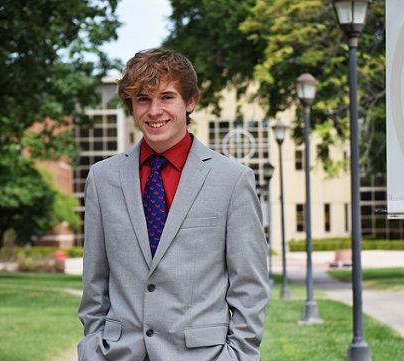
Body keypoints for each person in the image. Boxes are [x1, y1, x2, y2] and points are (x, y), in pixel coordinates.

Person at [77, 48, 269, 361]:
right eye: (142, 99)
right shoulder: (102, 178)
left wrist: (239, 356)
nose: (154, 111)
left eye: (166, 97)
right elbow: (95, 281)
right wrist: (93, 347)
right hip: (118, 354)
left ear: (190, 101)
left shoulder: (232, 180)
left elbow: (250, 286)